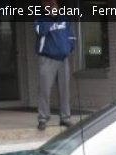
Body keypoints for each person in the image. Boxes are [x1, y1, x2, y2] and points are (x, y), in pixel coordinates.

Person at [34, 0, 76, 130]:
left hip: (63, 59)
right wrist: (51, 17)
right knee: (45, 89)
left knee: (65, 90)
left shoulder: (64, 18)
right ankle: (43, 118)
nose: (51, 5)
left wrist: (69, 48)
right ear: (43, 5)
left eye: (53, 3)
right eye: (48, 3)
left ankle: (65, 117)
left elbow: (71, 36)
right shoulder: (40, 17)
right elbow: (40, 31)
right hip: (47, 58)